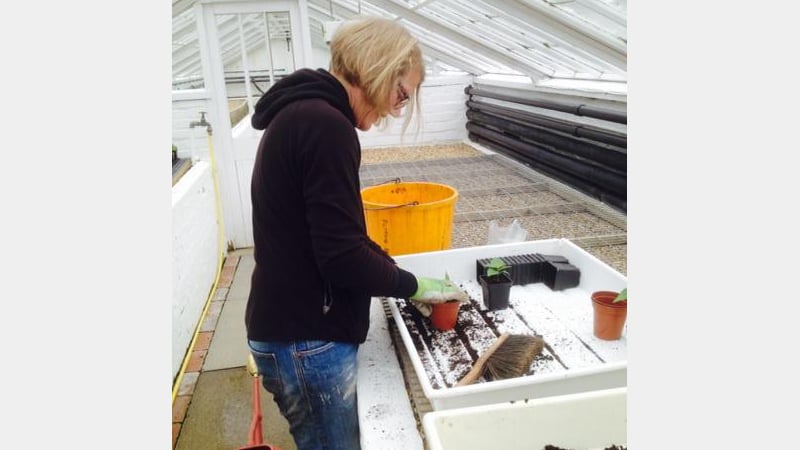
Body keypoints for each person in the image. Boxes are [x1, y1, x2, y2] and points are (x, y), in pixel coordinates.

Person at [245, 15, 468, 450]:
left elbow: (334, 232)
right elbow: (341, 255)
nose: (396, 108)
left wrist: (384, 263)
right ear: (377, 67)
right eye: (401, 92)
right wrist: (413, 285)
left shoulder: (303, 114)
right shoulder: (326, 126)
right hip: (305, 341)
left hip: (289, 328)